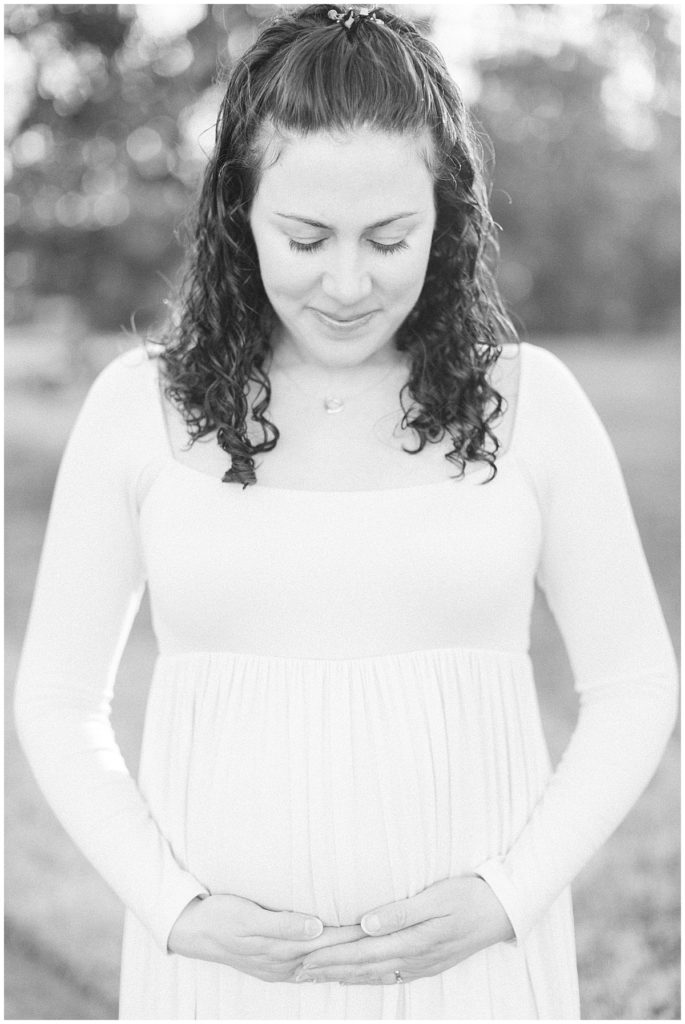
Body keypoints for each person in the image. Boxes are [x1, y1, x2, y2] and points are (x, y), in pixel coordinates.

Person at [14, 4, 677, 1020]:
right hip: (222, 986)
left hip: (475, 980)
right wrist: (175, 909)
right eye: (306, 236)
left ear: (444, 217)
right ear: (239, 209)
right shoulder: (135, 410)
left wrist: (508, 897)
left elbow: (635, 686)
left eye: (389, 236)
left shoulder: (529, 403)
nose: (347, 282)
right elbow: (58, 702)